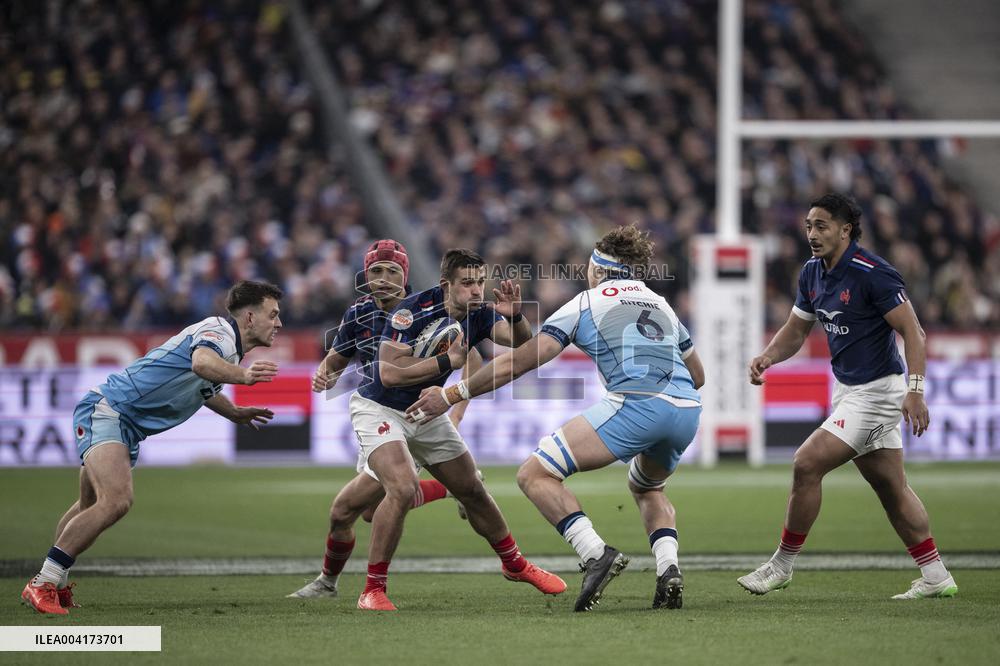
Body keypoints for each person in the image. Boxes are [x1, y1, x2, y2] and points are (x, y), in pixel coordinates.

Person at [407, 225, 705, 612]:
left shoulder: (585, 303)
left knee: (534, 474)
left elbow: (521, 360)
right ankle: (669, 569)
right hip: (687, 410)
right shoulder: (659, 302)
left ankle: (596, 553)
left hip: (638, 405)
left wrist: (452, 393)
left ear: (598, 269)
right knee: (649, 488)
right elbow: (697, 374)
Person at [737, 193, 957, 600]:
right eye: (808, 226)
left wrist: (916, 390)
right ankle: (936, 574)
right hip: (847, 389)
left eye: (821, 226)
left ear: (845, 230)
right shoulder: (811, 273)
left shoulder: (873, 273)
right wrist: (768, 356)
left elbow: (914, 332)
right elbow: (797, 330)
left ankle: (781, 566)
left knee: (806, 464)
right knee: (892, 489)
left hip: (877, 393)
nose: (812, 234)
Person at [21, 281, 284, 615]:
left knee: (90, 503)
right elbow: (201, 364)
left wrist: (234, 412)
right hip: (110, 409)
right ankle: (44, 582)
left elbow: (205, 387)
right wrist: (245, 378)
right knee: (116, 500)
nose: (279, 323)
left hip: (123, 421)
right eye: (273, 314)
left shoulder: (230, 348)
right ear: (249, 317)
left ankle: (53, 583)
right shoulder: (218, 330)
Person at [354, 248, 566, 611]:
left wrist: (515, 317)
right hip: (379, 408)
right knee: (400, 489)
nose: (476, 290)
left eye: (480, 282)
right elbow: (388, 374)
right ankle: (372, 590)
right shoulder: (411, 312)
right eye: (467, 283)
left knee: (472, 489)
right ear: (445, 285)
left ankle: (515, 564)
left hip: (427, 412)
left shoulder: (479, 313)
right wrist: (446, 362)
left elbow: (520, 343)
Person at [287, 240, 481, 600]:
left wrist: (456, 407)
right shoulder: (358, 312)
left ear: (405, 276)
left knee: (344, 510)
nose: (384, 277)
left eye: (393, 271)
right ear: (365, 275)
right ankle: (451, 487)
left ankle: (328, 584)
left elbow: (470, 358)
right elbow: (335, 360)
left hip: (415, 419)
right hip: (379, 414)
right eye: (376, 270)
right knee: (368, 513)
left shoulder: (431, 308)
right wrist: (323, 374)